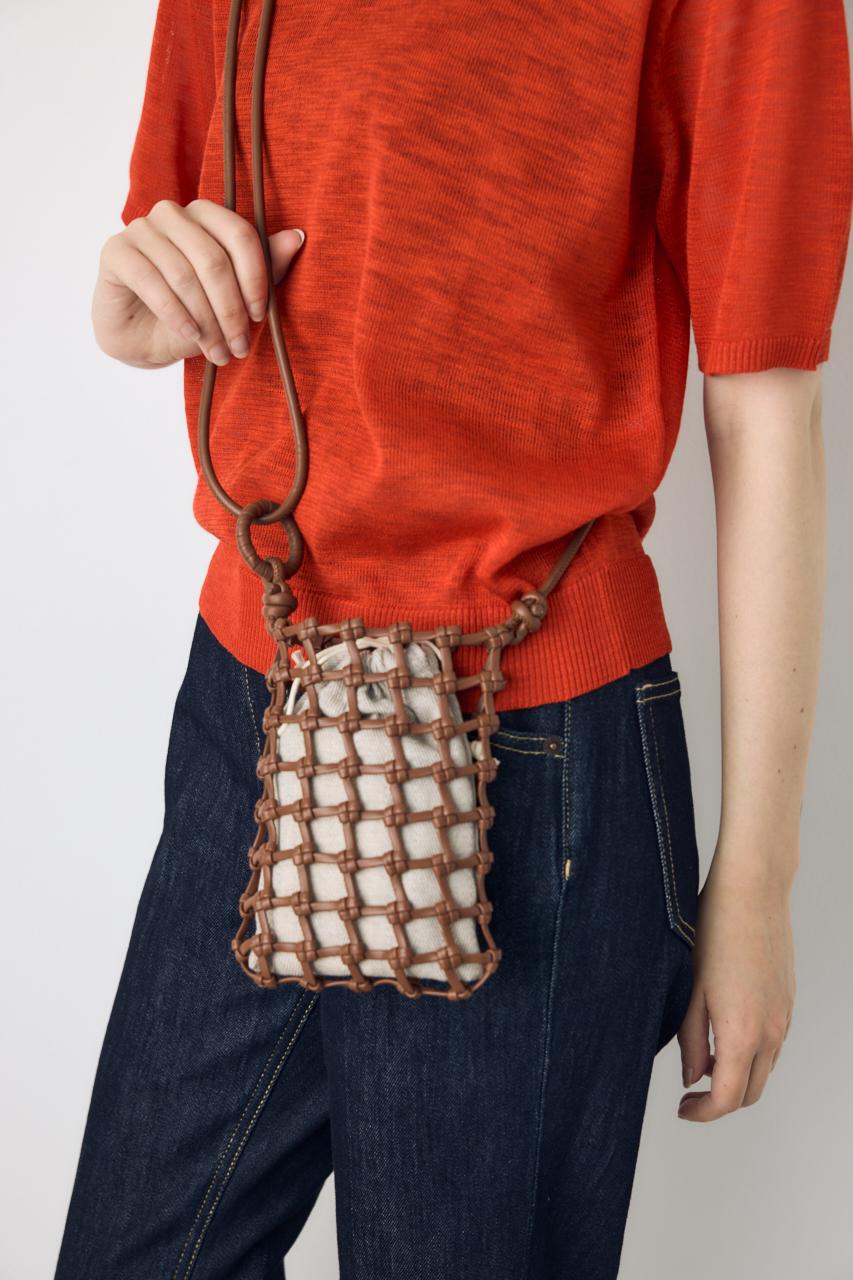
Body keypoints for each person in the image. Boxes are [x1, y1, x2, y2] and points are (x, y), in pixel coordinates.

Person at [55, 0, 853, 1277]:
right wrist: (137, 301)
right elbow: (185, 258)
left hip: (524, 754)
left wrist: (758, 879)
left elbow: (764, 405)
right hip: (251, 703)